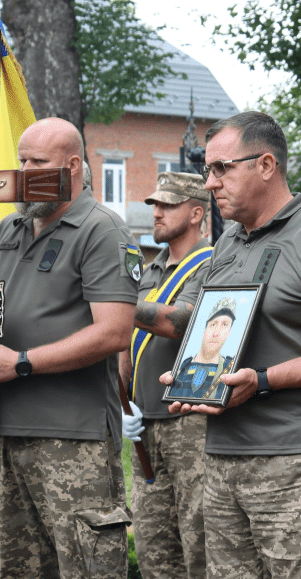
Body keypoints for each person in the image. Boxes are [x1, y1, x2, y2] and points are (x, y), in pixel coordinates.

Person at [161, 110, 301, 578]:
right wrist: (189, 376)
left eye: (222, 168)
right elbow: (209, 330)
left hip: (297, 463)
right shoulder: (227, 246)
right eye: (207, 169)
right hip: (222, 461)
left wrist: (264, 381)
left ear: (266, 165)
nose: (210, 182)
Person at [0, 118, 139, 578]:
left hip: (74, 439)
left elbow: (115, 333)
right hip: (7, 433)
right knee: (23, 571)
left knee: (88, 568)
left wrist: (18, 364)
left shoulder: (102, 230)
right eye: (20, 161)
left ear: (72, 166)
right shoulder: (7, 228)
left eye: (37, 163)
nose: (20, 173)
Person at [120, 170, 212, 579]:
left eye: (167, 205)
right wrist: (122, 399)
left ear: (196, 213)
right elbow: (125, 341)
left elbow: (180, 322)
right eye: (154, 204)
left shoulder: (210, 264)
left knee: (200, 544)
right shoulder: (149, 270)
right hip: (146, 426)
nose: (156, 212)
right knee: (155, 548)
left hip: (190, 422)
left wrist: (114, 300)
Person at [170, 298, 236, 401]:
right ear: (204, 330)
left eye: (224, 325)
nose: (216, 333)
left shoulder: (229, 368)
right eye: (213, 324)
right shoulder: (183, 366)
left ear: (229, 332)